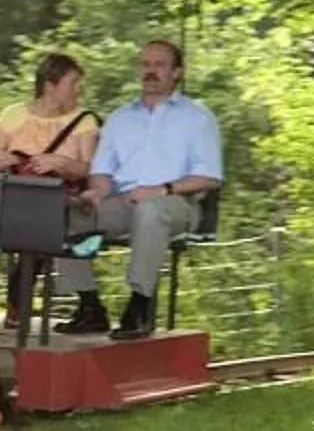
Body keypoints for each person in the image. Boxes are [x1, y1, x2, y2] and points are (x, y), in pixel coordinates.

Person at [85, 39, 221, 339]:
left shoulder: (197, 118)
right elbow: (103, 171)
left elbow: (209, 177)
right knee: (68, 215)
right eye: (145, 64)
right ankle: (88, 305)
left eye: (159, 65)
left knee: (150, 211)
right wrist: (97, 192)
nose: (150, 71)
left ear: (177, 73)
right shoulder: (120, 118)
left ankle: (141, 303)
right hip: (124, 200)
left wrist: (161, 189)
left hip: (177, 202)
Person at [0, 52, 105, 331]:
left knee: (44, 219)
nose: (79, 90)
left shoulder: (84, 121)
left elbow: (90, 170)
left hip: (58, 197)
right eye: (73, 83)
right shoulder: (13, 115)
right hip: (15, 193)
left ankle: (19, 297)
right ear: (51, 85)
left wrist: (61, 163)